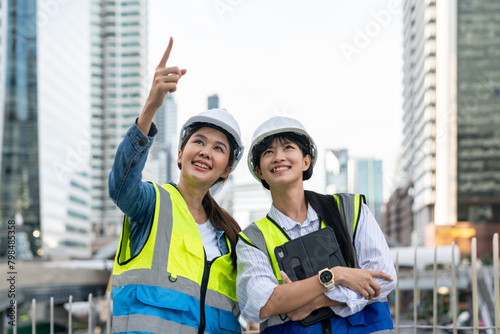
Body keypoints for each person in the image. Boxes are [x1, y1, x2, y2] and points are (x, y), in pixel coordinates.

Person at [109, 38, 243, 334]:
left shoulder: (232, 236)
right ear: (180, 155)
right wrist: (151, 107)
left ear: (226, 171)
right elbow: (121, 185)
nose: (206, 151)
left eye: (219, 148)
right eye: (198, 142)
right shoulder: (151, 203)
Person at [236, 116, 397, 333]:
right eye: (268, 152)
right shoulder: (252, 239)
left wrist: (315, 301)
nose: (278, 157)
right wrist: (337, 275)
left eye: (288, 147)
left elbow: (383, 279)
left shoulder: (350, 210)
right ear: (259, 170)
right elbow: (262, 304)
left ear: (306, 161)